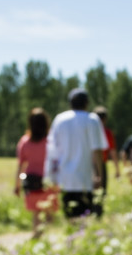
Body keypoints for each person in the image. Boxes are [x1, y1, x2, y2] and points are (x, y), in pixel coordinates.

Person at [46, 88, 108, 220]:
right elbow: (97, 150)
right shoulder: (92, 120)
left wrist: (51, 175)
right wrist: (99, 175)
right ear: (86, 103)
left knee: (70, 215)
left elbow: (52, 149)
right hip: (86, 177)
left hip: (65, 177)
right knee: (86, 216)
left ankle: (73, 239)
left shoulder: (60, 119)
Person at [14, 108, 60, 238]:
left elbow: (21, 166)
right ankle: (45, 239)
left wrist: (18, 184)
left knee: (36, 213)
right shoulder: (51, 140)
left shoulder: (25, 141)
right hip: (49, 181)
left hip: (31, 182)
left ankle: (37, 237)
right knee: (49, 214)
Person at [92, 106, 120, 196]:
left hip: (87, 164)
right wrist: (117, 169)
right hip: (101, 164)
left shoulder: (87, 130)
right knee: (101, 192)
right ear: (105, 119)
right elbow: (113, 151)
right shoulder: (107, 132)